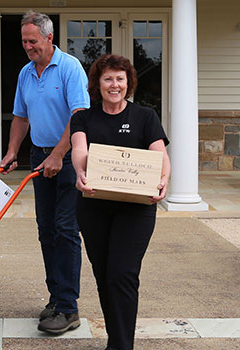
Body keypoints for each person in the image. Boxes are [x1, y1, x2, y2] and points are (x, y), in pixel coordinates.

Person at [70, 54, 170, 350]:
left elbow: (161, 156)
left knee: (122, 274)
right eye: (108, 79)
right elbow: (79, 148)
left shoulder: (145, 117)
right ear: (97, 84)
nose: (114, 85)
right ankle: (116, 340)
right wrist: (79, 171)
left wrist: (163, 179)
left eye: (120, 79)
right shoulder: (83, 117)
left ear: (129, 83)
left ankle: (122, 346)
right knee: (104, 276)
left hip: (136, 209)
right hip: (94, 206)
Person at [0, 10, 90, 335]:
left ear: (49, 38)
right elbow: (21, 117)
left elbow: (79, 116)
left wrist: (58, 153)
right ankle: (56, 298)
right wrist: (12, 152)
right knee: (46, 230)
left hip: (68, 158)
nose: (27, 46)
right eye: (24, 41)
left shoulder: (69, 68)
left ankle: (69, 308)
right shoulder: (26, 73)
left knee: (66, 229)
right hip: (41, 156)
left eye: (32, 41)